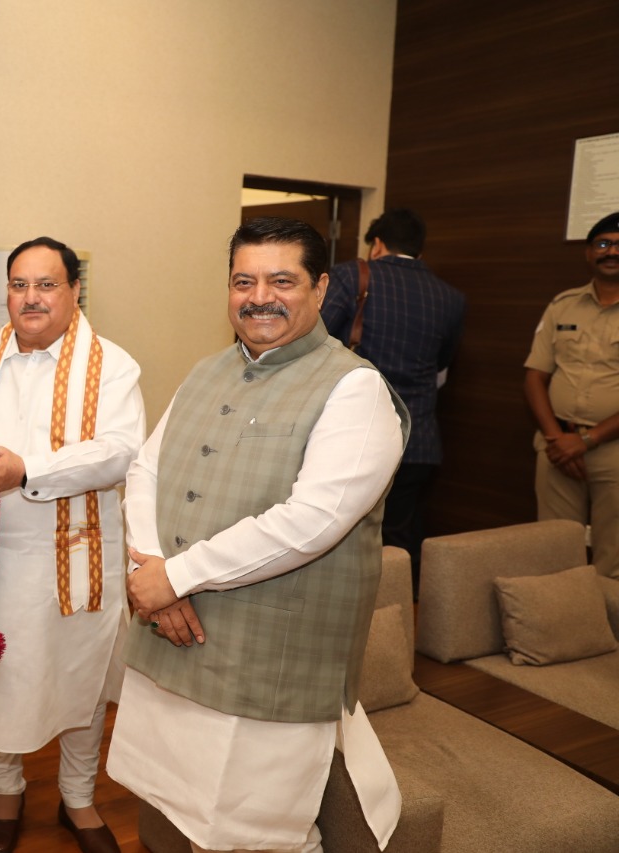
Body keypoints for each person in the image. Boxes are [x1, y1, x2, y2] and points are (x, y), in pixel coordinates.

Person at [109, 217, 408, 853]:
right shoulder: (206, 370)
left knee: (255, 830)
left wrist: (174, 578)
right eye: (243, 281)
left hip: (268, 662)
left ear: (322, 287)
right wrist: (154, 570)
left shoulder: (355, 388)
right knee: (170, 806)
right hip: (172, 636)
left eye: (281, 280)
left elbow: (313, 521)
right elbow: (147, 469)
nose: (258, 296)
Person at [0, 237, 146, 853]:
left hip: (76, 561)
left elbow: (120, 451)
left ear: (75, 291)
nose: (31, 298)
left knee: (82, 682)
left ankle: (79, 799)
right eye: (20, 285)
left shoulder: (112, 365)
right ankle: (6, 791)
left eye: (47, 284)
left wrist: (28, 471)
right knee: (0, 680)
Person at [321, 208, 465, 587]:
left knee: (341, 536)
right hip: (419, 439)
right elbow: (441, 367)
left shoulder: (351, 275)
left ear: (378, 244)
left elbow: (313, 343)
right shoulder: (450, 298)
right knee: (399, 541)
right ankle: (399, 624)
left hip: (355, 432)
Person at [524, 211, 619, 579]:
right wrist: (557, 438)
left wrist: (587, 440)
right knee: (553, 548)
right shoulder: (562, 305)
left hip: (611, 450)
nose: (611, 251)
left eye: (618, 245)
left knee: (612, 557)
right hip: (557, 445)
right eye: (603, 243)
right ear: (588, 253)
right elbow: (535, 376)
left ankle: (607, 635)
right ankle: (556, 634)